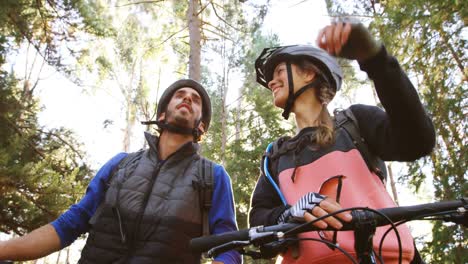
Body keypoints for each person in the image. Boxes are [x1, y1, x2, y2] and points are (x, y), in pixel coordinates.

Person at [249, 22, 435, 263]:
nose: (272, 82)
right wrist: (287, 215)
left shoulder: (355, 123)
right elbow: (258, 221)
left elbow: (417, 140)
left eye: (279, 73)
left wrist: (376, 59)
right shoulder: (276, 155)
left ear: (309, 73)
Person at [0, 79, 242, 264]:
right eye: (180, 95)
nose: (187, 99)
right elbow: (69, 224)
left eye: (195, 99)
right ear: (161, 115)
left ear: (201, 125)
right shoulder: (120, 164)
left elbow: (229, 247)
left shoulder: (213, 176)